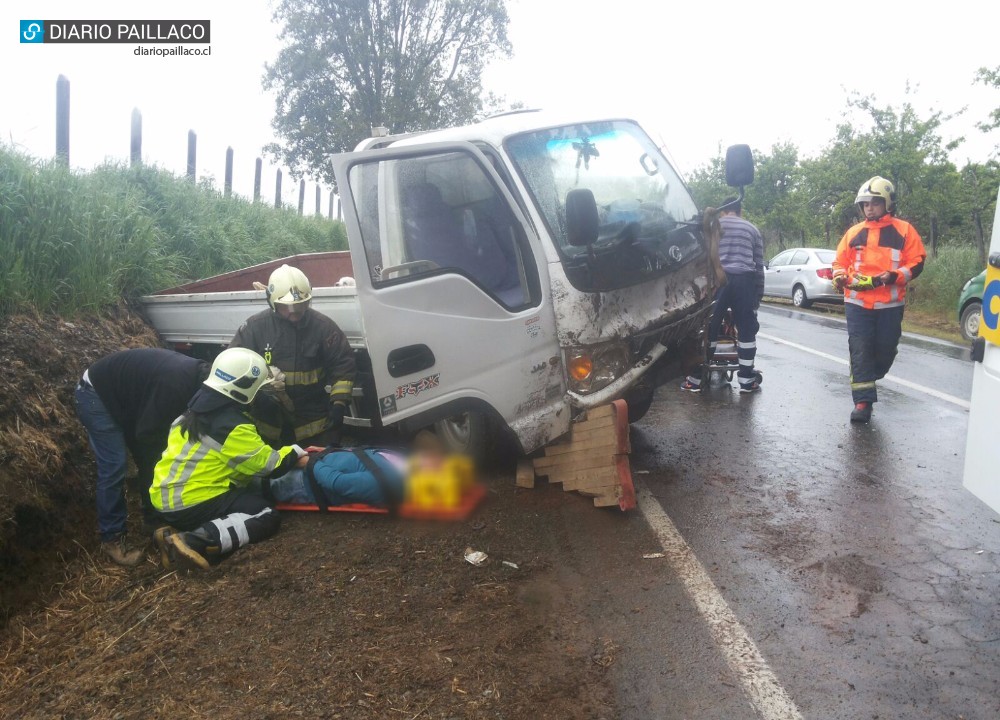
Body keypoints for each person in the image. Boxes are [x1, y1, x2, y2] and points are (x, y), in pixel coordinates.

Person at [150, 347, 310, 570]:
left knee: (248, 491)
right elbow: (270, 465)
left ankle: (175, 533)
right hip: (191, 501)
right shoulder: (232, 425)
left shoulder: (191, 412)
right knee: (265, 514)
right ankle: (194, 542)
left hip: (168, 498)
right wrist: (295, 450)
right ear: (244, 388)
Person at [74, 348, 210, 566]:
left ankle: (151, 519)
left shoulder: (198, 375)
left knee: (151, 455)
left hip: (126, 397)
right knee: (115, 467)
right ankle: (112, 539)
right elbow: (147, 437)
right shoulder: (176, 386)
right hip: (95, 395)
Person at [832, 176, 926, 423]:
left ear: (888, 203)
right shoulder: (853, 232)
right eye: (865, 204)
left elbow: (917, 263)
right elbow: (839, 262)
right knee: (860, 348)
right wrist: (840, 276)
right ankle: (863, 403)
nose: (869, 208)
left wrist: (893, 276)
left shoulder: (904, 230)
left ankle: (868, 377)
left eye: (875, 202)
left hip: (890, 304)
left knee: (885, 351)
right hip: (857, 303)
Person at [229, 264, 356, 447]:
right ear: (272, 302)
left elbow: (343, 364)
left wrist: (339, 404)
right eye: (286, 307)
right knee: (272, 469)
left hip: (314, 419)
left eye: (299, 305)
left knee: (322, 465)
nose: (294, 313)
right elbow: (233, 364)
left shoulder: (323, 327)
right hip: (268, 417)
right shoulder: (255, 328)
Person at [681, 197, 765, 393]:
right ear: (739, 210)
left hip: (717, 282)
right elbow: (758, 265)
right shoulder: (752, 230)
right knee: (746, 331)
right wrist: (758, 294)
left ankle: (696, 378)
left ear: (722, 212)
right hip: (745, 281)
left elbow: (699, 260)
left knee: (708, 328)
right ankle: (746, 380)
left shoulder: (712, 227)